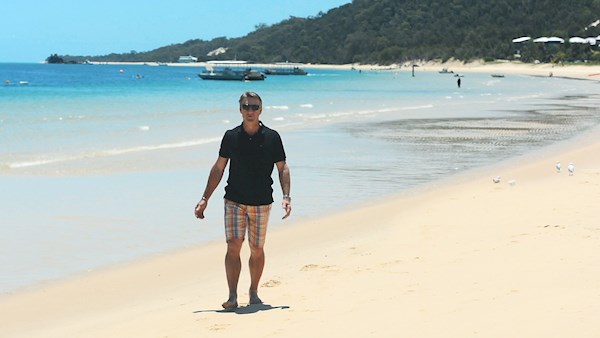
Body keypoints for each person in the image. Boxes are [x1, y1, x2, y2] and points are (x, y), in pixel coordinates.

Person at [194, 91, 292, 310]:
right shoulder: (231, 136)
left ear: (261, 110)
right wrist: (204, 198)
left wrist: (286, 196)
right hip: (234, 200)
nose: (250, 111)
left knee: (257, 248)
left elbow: (282, 168)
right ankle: (232, 295)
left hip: (261, 201)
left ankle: (254, 292)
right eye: (246, 107)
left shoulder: (272, 137)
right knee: (233, 245)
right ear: (240, 110)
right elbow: (219, 167)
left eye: (254, 107)